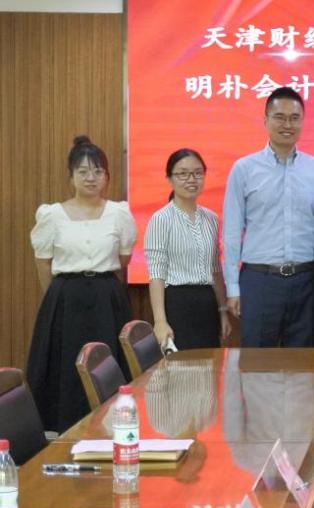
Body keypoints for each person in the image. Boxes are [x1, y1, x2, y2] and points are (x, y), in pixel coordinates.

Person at [27, 136, 137, 432]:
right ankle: (66, 432)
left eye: (98, 171)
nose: (91, 178)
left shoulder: (119, 213)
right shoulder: (52, 215)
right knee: (66, 366)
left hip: (107, 297)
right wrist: (57, 298)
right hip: (65, 299)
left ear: (107, 176)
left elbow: (123, 258)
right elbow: (43, 262)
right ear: (71, 176)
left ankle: (112, 429)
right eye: (83, 171)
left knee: (109, 364)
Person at [222, 87, 314, 347]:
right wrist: (233, 288)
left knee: (303, 362)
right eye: (279, 117)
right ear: (265, 120)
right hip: (259, 281)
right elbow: (232, 233)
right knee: (257, 362)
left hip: (306, 281)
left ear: (302, 121)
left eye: (294, 118)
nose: (287, 125)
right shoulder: (244, 169)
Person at [144, 148, 230, 350]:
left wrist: (223, 311)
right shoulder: (161, 219)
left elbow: (215, 269)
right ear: (169, 179)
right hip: (177, 303)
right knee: (181, 366)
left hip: (207, 303)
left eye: (197, 173)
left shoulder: (211, 219)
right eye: (183, 174)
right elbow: (156, 275)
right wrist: (160, 321)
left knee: (210, 364)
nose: (191, 179)